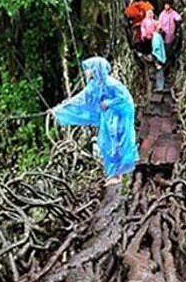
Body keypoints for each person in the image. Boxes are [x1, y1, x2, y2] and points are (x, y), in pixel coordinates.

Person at [51, 57, 138, 186]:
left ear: (96, 69)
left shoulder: (111, 84)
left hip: (120, 117)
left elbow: (125, 99)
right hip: (108, 118)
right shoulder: (94, 86)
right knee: (105, 143)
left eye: (88, 69)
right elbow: (80, 99)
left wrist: (109, 103)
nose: (86, 72)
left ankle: (117, 174)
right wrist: (58, 109)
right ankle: (113, 174)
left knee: (118, 143)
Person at [151, 23, 167, 92]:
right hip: (158, 57)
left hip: (160, 57)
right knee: (159, 72)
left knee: (160, 71)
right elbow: (156, 47)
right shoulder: (156, 36)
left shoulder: (158, 36)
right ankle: (160, 86)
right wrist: (157, 58)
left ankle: (160, 86)